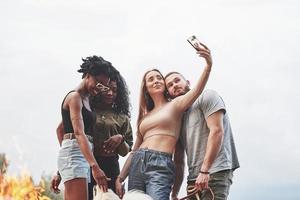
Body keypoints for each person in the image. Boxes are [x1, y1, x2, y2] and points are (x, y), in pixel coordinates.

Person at [115, 42, 212, 200]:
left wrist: (208, 65)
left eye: (159, 78)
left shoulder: (175, 105)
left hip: (160, 164)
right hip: (137, 163)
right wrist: (120, 178)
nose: (156, 80)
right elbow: (134, 150)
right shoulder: (144, 117)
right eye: (151, 79)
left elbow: (196, 91)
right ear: (146, 87)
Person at [50, 56, 118, 200]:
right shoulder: (75, 97)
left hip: (81, 155)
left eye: (103, 86)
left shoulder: (87, 98)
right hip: (76, 154)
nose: (99, 88)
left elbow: (61, 130)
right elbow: (78, 133)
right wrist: (95, 167)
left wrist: (61, 170)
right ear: (88, 75)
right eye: (98, 83)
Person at [165, 72, 240, 200]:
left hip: (215, 171)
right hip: (193, 177)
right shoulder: (178, 118)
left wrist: (205, 171)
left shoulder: (206, 96)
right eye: (170, 85)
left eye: (177, 80)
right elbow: (179, 161)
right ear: (169, 93)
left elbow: (217, 131)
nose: (175, 85)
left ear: (188, 82)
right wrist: (175, 193)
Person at [88, 69, 133, 200]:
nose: (110, 93)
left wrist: (120, 138)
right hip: (90, 163)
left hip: (111, 165)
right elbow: (76, 139)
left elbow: (128, 149)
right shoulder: (89, 111)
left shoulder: (122, 117)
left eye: (114, 90)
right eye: (107, 89)